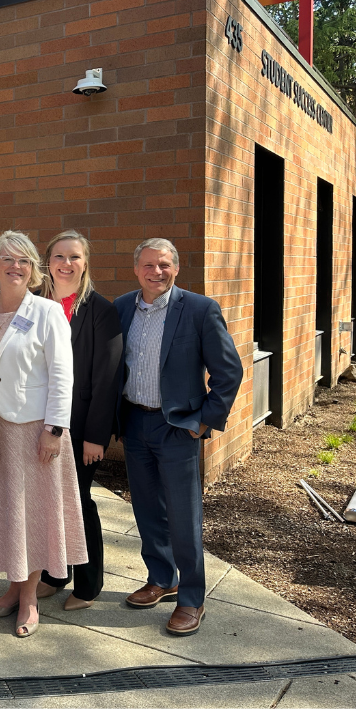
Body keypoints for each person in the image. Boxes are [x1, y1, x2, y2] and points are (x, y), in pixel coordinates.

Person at [115, 238, 242, 636]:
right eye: (149, 265)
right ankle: (161, 577)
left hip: (178, 427)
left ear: (177, 267)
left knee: (184, 515)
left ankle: (191, 598)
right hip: (135, 422)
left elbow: (229, 372)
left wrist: (202, 421)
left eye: (165, 264)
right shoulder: (120, 308)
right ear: (136, 269)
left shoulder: (200, 309)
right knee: (147, 509)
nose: (157, 272)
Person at [0, 231, 85, 638]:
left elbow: (62, 375)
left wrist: (55, 429)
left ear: (34, 269)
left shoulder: (46, 311)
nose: (15, 266)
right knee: (4, 510)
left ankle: (30, 597)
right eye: (7, 259)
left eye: (23, 260)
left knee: (34, 513)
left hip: (35, 430)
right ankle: (12, 584)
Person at [36, 230, 124, 611]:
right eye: (59, 256)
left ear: (85, 262)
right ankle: (55, 574)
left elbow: (108, 378)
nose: (66, 264)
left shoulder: (101, 310)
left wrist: (95, 437)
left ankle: (88, 585)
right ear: (48, 262)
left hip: (80, 427)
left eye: (74, 257)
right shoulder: (35, 303)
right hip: (37, 424)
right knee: (47, 502)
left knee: (78, 502)